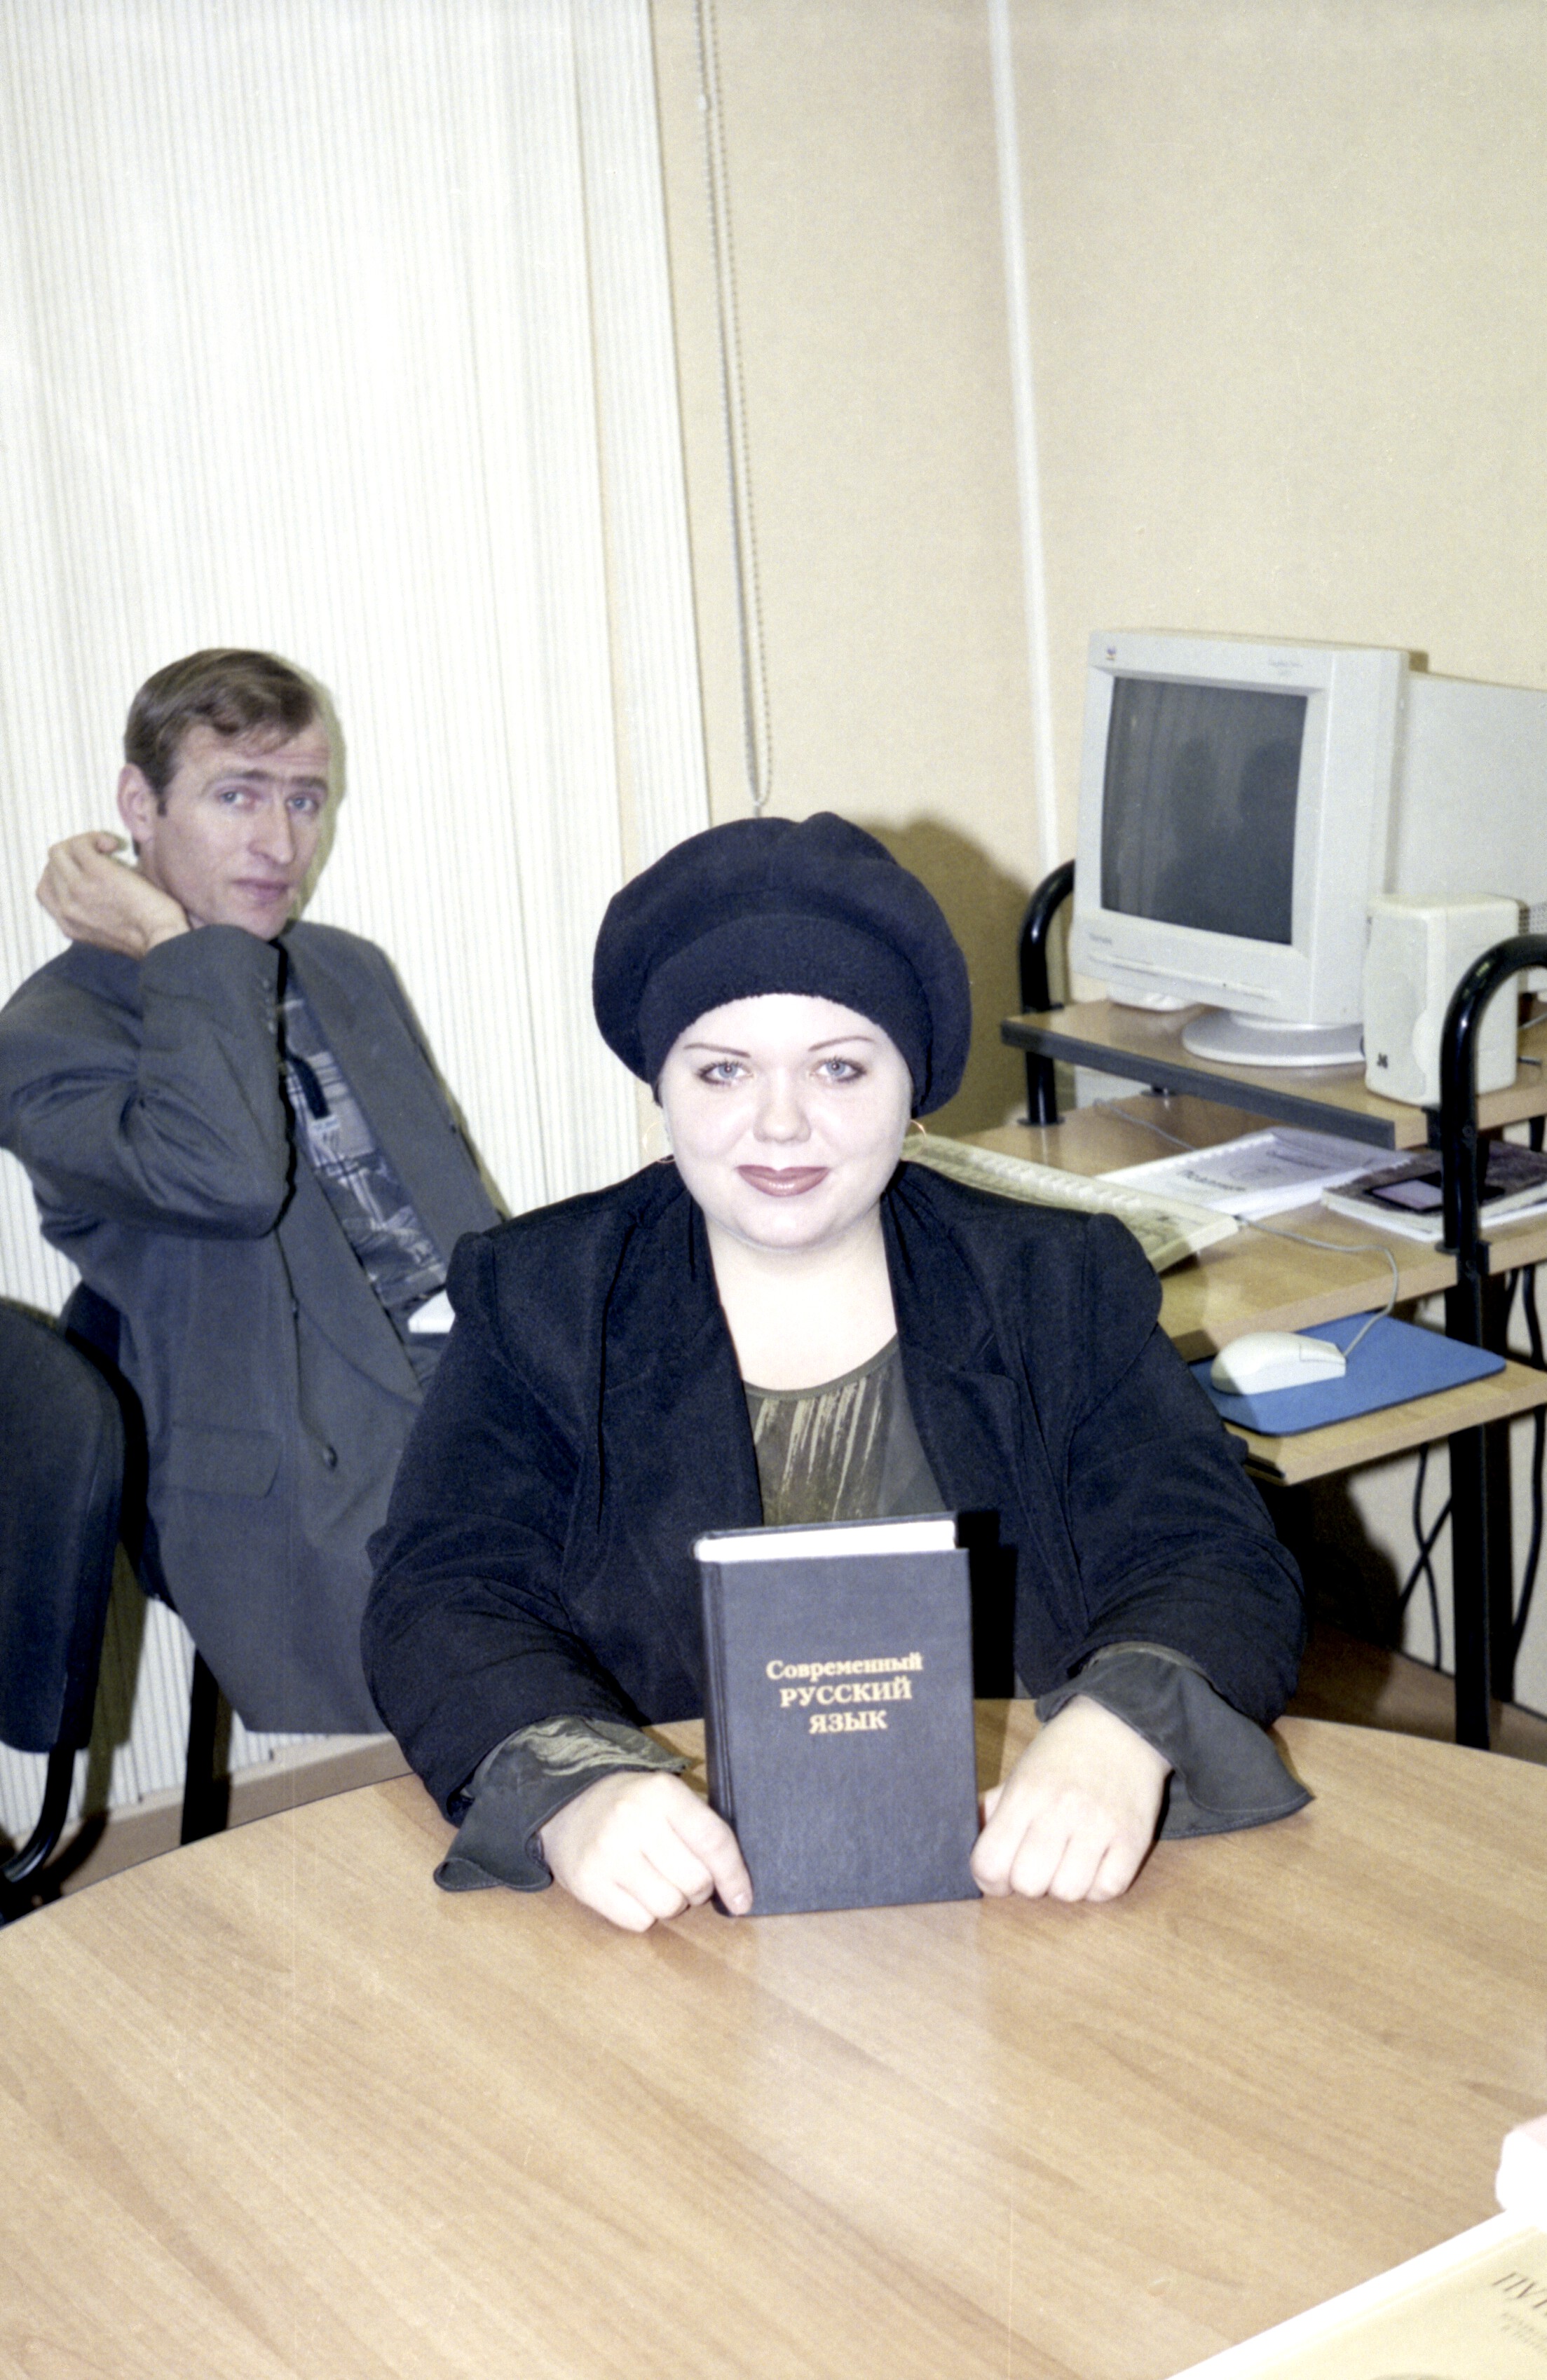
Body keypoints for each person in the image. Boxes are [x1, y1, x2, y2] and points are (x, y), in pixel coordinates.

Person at [364, 813, 1307, 1929]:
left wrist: (1122, 1727)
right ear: (661, 1082)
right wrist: (575, 1787)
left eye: (840, 1068)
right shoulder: (542, 1297)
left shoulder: (1056, 1284)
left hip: (1024, 1874)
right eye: (724, 1070)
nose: (781, 1125)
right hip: (670, 1899)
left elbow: (1212, 1553)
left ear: (913, 1084)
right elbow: (441, 1595)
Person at [0, 649, 500, 1734]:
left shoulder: (345, 969)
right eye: (237, 796)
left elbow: (453, 1224)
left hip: (464, 1401)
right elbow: (227, 1182)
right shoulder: (48, 1039)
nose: (280, 843)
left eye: (305, 800)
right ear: (140, 804)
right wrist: (176, 949)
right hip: (298, 1473)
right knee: (527, 1668)